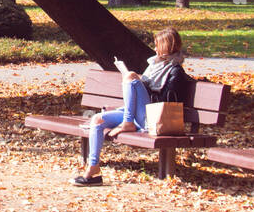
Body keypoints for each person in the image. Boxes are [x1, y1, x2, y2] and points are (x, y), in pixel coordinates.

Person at [74, 27, 190, 186]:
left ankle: (127, 122)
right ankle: (93, 170)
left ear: (167, 47)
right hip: (138, 114)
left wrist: (141, 84)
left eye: (158, 45)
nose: (155, 49)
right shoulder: (154, 65)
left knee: (130, 76)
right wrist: (141, 84)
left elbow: (167, 102)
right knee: (97, 120)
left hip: (153, 119)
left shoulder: (175, 71)